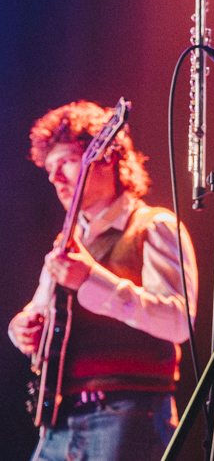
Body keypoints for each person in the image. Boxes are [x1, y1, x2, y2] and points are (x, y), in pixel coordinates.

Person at [8, 100, 198, 461]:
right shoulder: (67, 243)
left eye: (66, 162)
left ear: (107, 156)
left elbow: (178, 322)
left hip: (128, 414)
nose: (55, 178)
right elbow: (38, 312)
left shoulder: (154, 226)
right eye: (50, 169)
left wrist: (92, 280)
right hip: (59, 421)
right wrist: (21, 328)